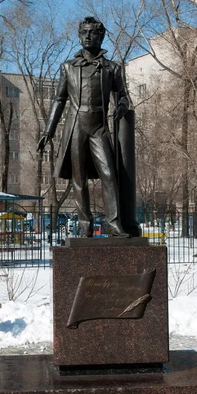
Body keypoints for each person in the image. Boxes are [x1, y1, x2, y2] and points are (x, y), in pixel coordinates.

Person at [37, 17, 130, 237]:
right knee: (79, 180)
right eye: (84, 33)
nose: (87, 36)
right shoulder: (68, 68)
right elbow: (59, 100)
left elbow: (123, 95)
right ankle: (84, 223)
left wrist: (123, 106)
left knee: (109, 175)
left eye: (92, 33)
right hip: (76, 126)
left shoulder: (112, 69)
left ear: (101, 36)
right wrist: (48, 131)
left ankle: (113, 223)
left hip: (99, 128)